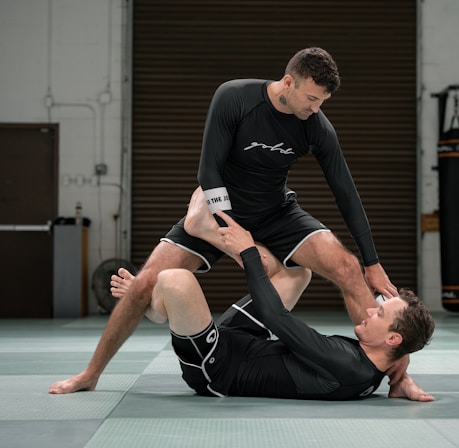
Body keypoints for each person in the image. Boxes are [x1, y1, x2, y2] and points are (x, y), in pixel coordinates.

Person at [50, 47, 397, 394]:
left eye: (322, 101)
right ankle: (91, 374)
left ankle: (396, 376)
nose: (316, 108)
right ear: (288, 82)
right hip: (222, 207)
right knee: (142, 285)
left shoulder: (315, 126)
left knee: (348, 268)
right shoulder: (235, 97)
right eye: (311, 98)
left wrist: (373, 262)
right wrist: (227, 228)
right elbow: (208, 170)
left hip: (277, 212)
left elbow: (346, 193)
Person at [110, 209, 435, 401]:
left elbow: (274, 317)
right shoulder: (374, 367)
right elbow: (398, 346)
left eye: (379, 313)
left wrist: (248, 250)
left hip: (216, 368)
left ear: (393, 339)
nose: (368, 310)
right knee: (297, 273)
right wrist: (400, 382)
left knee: (175, 279)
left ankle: (152, 307)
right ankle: (172, 282)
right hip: (245, 344)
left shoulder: (347, 365)